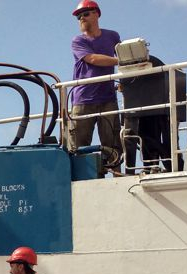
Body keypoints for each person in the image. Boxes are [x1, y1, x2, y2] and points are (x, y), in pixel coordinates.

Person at [67, 0, 122, 163]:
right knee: (78, 147)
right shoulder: (78, 41)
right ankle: (79, 178)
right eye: (78, 17)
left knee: (113, 145)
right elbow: (93, 59)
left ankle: (117, 177)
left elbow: (124, 55)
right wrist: (121, 60)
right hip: (84, 100)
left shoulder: (112, 36)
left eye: (85, 14)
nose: (81, 18)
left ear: (97, 14)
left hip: (108, 99)